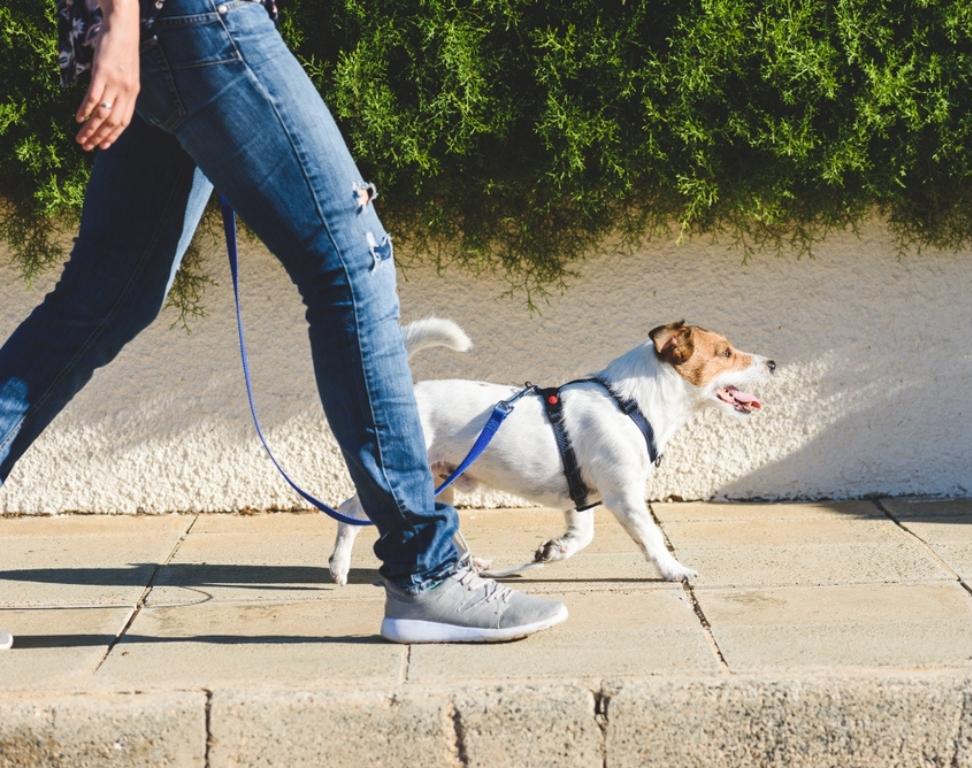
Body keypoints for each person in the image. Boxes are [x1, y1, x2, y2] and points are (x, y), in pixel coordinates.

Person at [0, 0, 568, 646]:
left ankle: (426, 568)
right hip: (193, 16)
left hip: (171, 27)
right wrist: (124, 20)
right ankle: (427, 570)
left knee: (104, 300)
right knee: (354, 263)